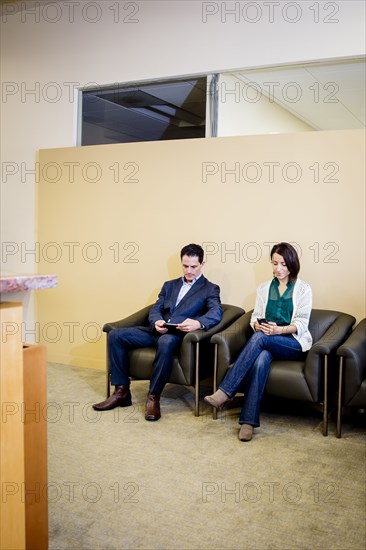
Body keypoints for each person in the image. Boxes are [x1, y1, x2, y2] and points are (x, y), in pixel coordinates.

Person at [93, 243, 223, 421]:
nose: (189, 270)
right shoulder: (169, 285)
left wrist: (197, 323)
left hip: (177, 336)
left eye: (194, 266)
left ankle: (153, 397)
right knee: (116, 335)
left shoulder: (210, 288)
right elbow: (156, 308)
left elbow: (216, 313)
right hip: (156, 330)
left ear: (202, 264)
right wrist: (156, 321)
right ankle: (121, 391)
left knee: (166, 341)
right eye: (185, 266)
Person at [204, 242, 312, 442]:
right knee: (261, 357)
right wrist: (259, 326)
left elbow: (302, 323)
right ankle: (248, 422)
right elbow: (255, 317)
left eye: (283, 264)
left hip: (292, 342)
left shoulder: (303, 289)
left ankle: (225, 391)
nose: (278, 268)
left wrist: (279, 330)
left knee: (262, 339)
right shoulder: (264, 289)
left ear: (292, 265)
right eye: (274, 263)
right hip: (267, 340)